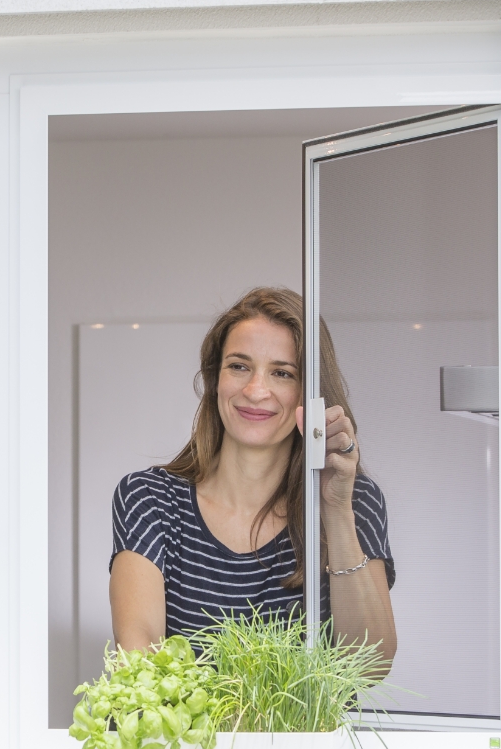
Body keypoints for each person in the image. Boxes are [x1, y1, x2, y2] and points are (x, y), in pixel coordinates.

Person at [108, 286, 397, 668]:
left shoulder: (354, 500)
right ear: (215, 380)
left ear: (309, 396)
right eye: (239, 366)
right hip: (185, 732)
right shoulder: (150, 499)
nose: (255, 390)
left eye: (282, 372)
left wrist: (336, 508)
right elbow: (140, 654)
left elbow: (370, 664)